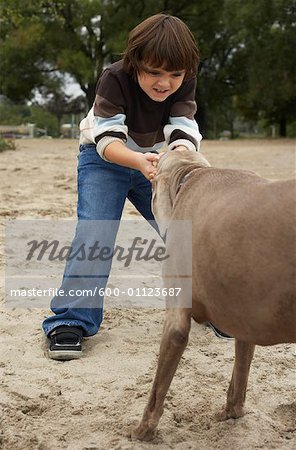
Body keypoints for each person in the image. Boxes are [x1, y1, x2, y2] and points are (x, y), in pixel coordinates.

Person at [43, 13, 205, 360]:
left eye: (174, 74)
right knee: (95, 232)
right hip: (105, 159)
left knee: (185, 230)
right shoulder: (114, 78)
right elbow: (107, 139)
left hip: (155, 162)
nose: (165, 83)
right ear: (135, 63)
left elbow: (183, 129)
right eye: (155, 73)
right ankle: (71, 319)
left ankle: (210, 306)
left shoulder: (185, 79)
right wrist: (138, 161)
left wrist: (177, 153)